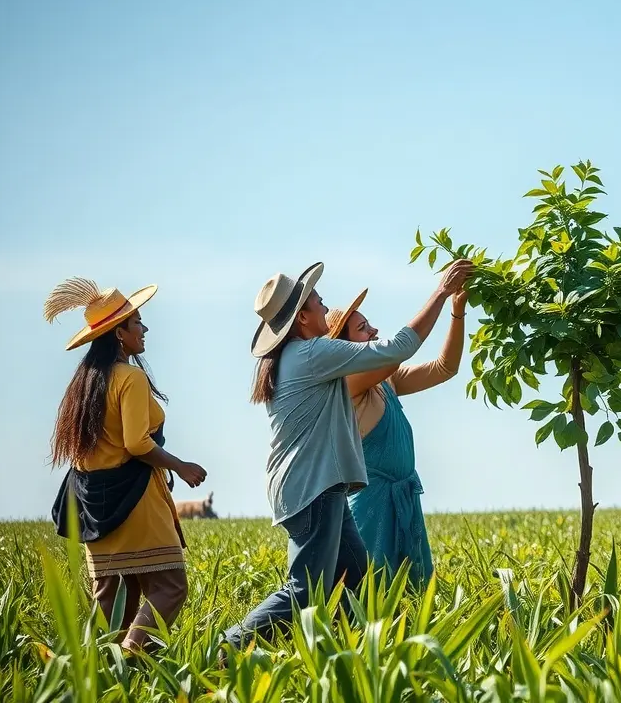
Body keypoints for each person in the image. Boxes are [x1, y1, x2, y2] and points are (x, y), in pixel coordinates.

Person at [223, 259, 472, 649]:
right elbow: (401, 347)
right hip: (313, 486)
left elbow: (437, 367)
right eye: (318, 302)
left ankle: (349, 652)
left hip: (322, 486)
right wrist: (441, 293)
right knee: (307, 589)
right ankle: (229, 647)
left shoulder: (302, 358)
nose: (323, 306)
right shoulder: (312, 354)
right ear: (302, 318)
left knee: (357, 578)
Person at [44, 278, 208, 654]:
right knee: (169, 587)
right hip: (134, 504)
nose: (144, 329)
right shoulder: (130, 378)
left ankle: (98, 678)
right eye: (137, 322)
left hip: (94, 507)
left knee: (112, 606)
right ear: (119, 333)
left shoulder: (83, 384)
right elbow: (136, 443)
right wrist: (180, 466)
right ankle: (131, 660)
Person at [324, 285, 468, 587]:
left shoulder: (385, 380)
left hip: (404, 501)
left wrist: (457, 311)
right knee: (375, 594)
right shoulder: (348, 383)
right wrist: (440, 293)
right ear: (343, 346)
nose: (374, 330)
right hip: (373, 508)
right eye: (363, 328)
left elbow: (445, 368)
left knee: (412, 596)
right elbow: (397, 352)